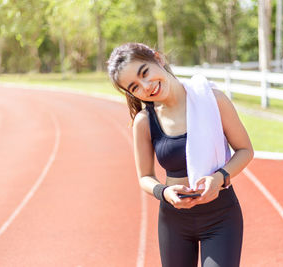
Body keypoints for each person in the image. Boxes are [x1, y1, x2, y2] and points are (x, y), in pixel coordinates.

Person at [107, 42, 254, 267]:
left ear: (158, 59)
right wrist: (164, 192)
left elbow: (245, 150)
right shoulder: (145, 122)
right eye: (134, 87)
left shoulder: (212, 100)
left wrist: (219, 178)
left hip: (221, 216)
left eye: (145, 73)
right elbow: (145, 177)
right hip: (174, 221)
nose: (146, 87)